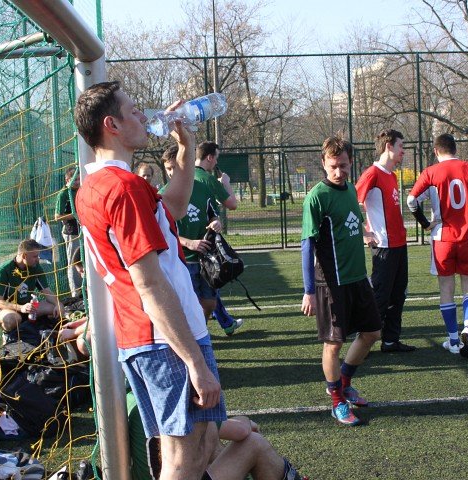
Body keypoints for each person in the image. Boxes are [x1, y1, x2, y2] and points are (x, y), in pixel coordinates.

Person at [73, 81, 224, 480]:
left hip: (156, 334)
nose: (144, 116)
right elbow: (149, 284)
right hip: (163, 336)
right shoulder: (121, 188)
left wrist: (186, 148)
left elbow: (174, 206)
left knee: (203, 444)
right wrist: (194, 361)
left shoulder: (107, 183)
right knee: (184, 457)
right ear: (112, 125)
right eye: (134, 110)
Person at [301, 136, 381, 426]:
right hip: (331, 283)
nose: (339, 172)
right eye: (333, 166)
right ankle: (337, 402)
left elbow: (351, 221)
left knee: (372, 333)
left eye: (343, 166)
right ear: (323, 163)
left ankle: (343, 382)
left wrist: (365, 234)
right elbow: (307, 245)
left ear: (350, 163)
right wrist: (309, 291)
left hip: (358, 278)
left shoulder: (350, 189)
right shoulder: (316, 197)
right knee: (333, 344)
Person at [406, 133, 468, 359]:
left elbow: (411, 200)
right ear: (455, 149)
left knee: (446, 289)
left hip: (442, 238)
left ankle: (452, 340)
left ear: (436, 151)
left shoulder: (430, 173)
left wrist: (425, 224)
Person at [127, 392, 308, 480]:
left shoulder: (127, 402)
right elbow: (241, 430)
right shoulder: (174, 398)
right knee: (254, 443)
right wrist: (245, 420)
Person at [162, 146, 244, 335]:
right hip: (182, 260)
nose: (171, 173)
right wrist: (189, 243)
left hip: (207, 258)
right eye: (168, 169)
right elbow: (164, 232)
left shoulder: (202, 188)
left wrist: (216, 222)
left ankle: (199, 332)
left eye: (175, 167)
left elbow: (213, 214)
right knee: (187, 305)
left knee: (209, 303)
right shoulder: (163, 195)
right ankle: (194, 337)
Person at [355, 129, 416, 353]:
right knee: (380, 296)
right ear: (388, 146)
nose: (403, 151)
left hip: (399, 244)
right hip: (383, 246)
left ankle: (390, 341)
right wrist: (365, 232)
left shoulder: (391, 175)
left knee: (398, 294)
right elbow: (353, 202)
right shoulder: (372, 173)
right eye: (401, 146)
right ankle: (362, 345)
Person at [0, 239, 61, 343]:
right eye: (35, 256)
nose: (38, 259)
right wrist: (21, 308)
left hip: (29, 307)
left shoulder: (36, 268)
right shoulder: (3, 271)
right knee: (11, 319)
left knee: (55, 309)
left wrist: (58, 304)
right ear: (24, 256)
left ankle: (47, 334)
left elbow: (47, 291)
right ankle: (7, 338)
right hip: (9, 309)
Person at [54, 167, 83, 297]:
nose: (77, 182)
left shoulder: (81, 190)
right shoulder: (64, 194)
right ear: (67, 180)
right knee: (74, 261)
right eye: (74, 179)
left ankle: (85, 289)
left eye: (78, 179)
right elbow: (57, 216)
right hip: (72, 232)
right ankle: (75, 293)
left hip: (84, 229)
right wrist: (75, 215)